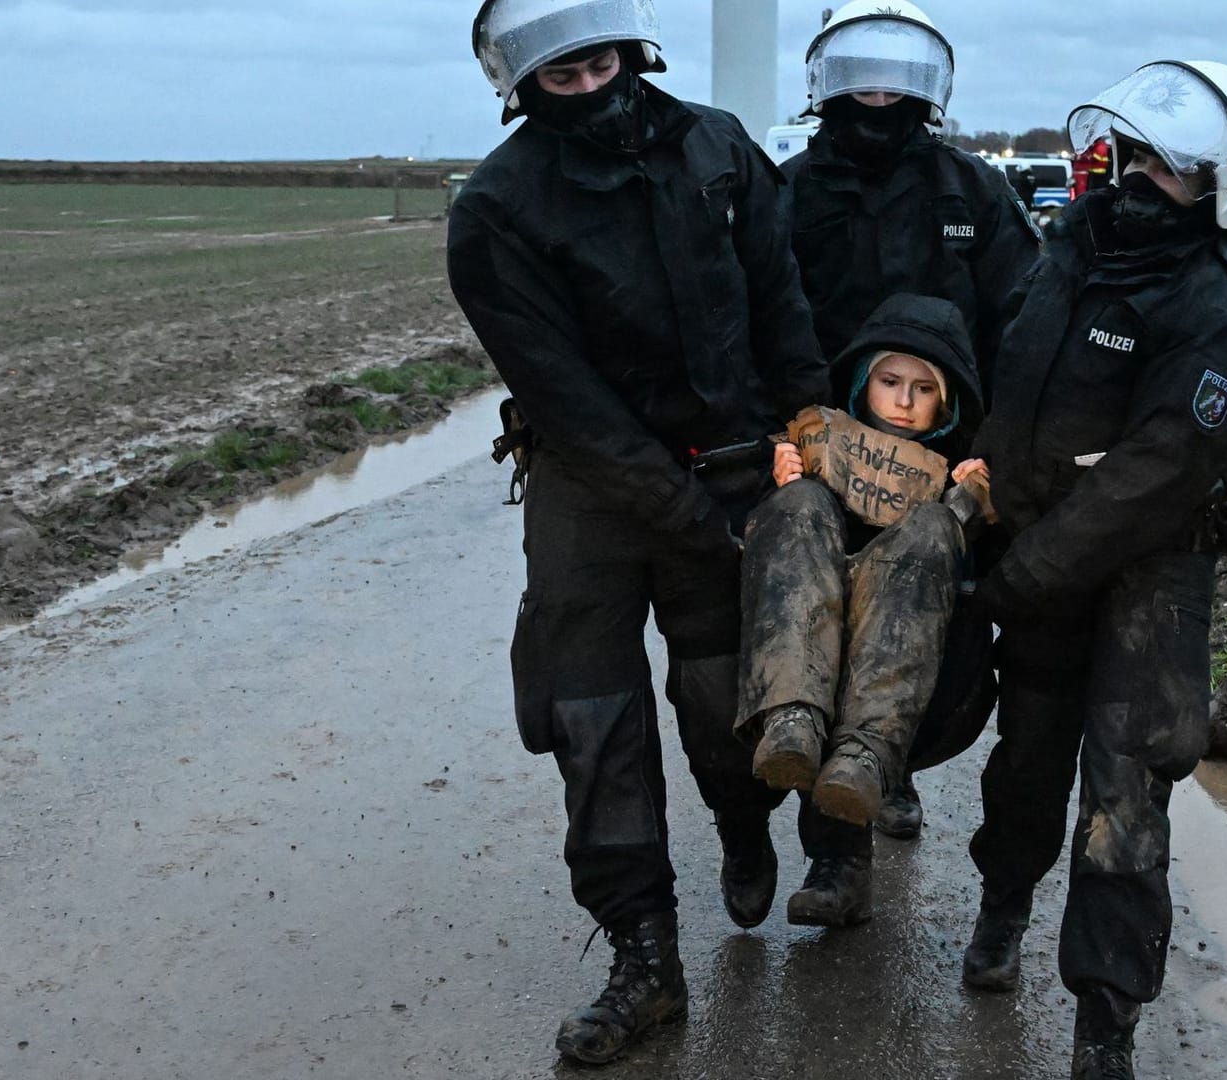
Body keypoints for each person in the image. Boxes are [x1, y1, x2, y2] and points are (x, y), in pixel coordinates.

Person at [446, 0, 827, 1066]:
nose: (586, 87)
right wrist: (676, 505)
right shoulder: (497, 208)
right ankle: (645, 957)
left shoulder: (718, 146)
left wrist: (809, 436)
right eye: (558, 78)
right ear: (522, 86)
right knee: (592, 717)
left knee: (719, 694)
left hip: (737, 462)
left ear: (631, 50)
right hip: (591, 489)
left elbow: (778, 297)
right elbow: (560, 391)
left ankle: (746, 826)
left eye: (598, 64)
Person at [955, 61, 1227, 1080]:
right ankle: (1002, 908)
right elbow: (1011, 389)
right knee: (1027, 758)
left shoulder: (1226, 310)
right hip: (1038, 552)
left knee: (1126, 790)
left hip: (1152, 572)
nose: (1144, 178)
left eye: (1174, 168)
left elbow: (1153, 476)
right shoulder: (1071, 250)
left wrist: (1020, 577)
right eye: (1136, 154)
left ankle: (1105, 1023)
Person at [778, 0, 1041, 858]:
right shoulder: (794, 192)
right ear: (827, 81)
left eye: (898, 76)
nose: (878, 92)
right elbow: (762, 312)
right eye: (862, 73)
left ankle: (894, 770)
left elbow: (1022, 322)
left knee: (925, 624)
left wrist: (996, 451)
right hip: (827, 449)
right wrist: (788, 429)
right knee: (821, 620)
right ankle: (833, 858)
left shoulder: (973, 189)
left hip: (941, 458)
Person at [736, 294, 990, 926]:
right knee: (798, 509)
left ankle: (867, 757)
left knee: (931, 526)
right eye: (889, 380)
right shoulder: (817, 441)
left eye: (923, 388)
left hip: (912, 684)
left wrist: (974, 509)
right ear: (862, 383)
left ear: (947, 401)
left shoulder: (960, 469)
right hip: (800, 661)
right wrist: (779, 478)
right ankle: (793, 722)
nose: (903, 401)